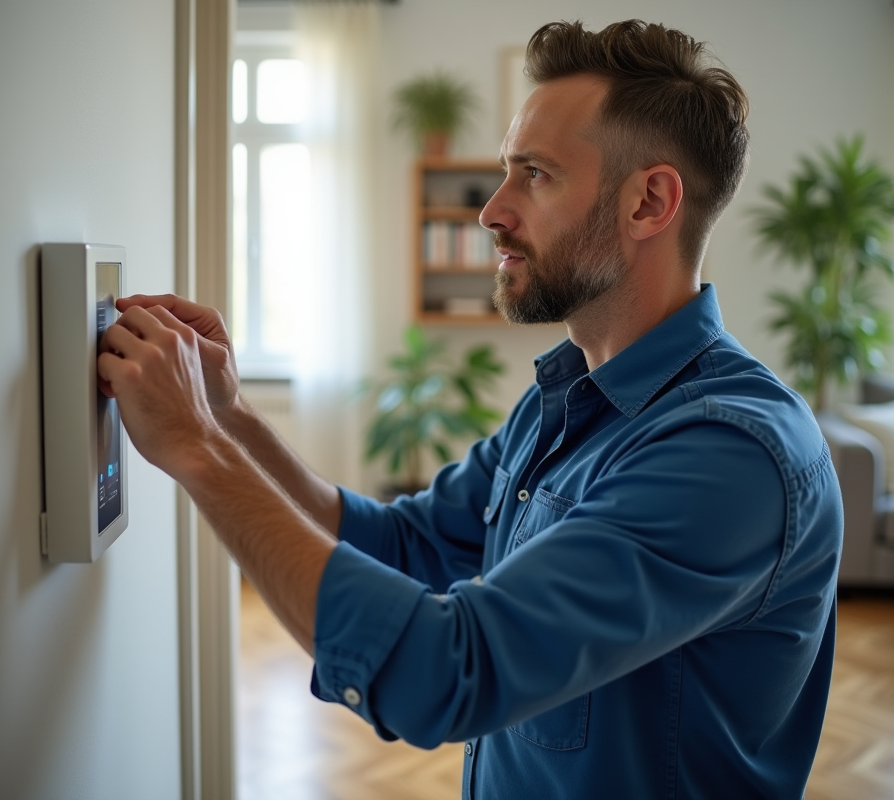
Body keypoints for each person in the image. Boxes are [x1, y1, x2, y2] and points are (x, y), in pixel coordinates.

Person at [98, 19, 843, 800]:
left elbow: (447, 673)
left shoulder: (731, 453)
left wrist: (196, 447)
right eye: (505, 172)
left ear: (649, 202)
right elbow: (404, 545)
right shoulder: (565, 400)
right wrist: (228, 418)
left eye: (536, 174)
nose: (491, 211)